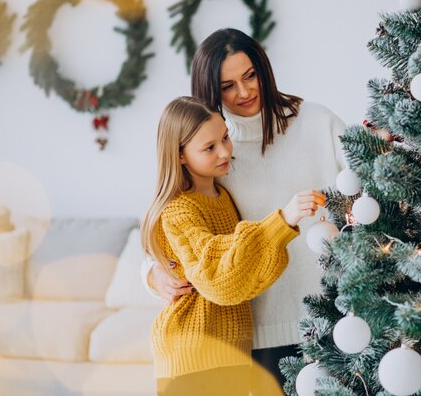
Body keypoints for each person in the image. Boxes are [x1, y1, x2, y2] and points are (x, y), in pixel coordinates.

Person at [141, 28, 347, 387]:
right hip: (257, 337)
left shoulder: (317, 122)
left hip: (335, 320)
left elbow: (374, 189)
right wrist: (150, 274)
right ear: (210, 90)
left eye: (250, 76)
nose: (245, 92)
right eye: (228, 86)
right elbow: (171, 220)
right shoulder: (208, 148)